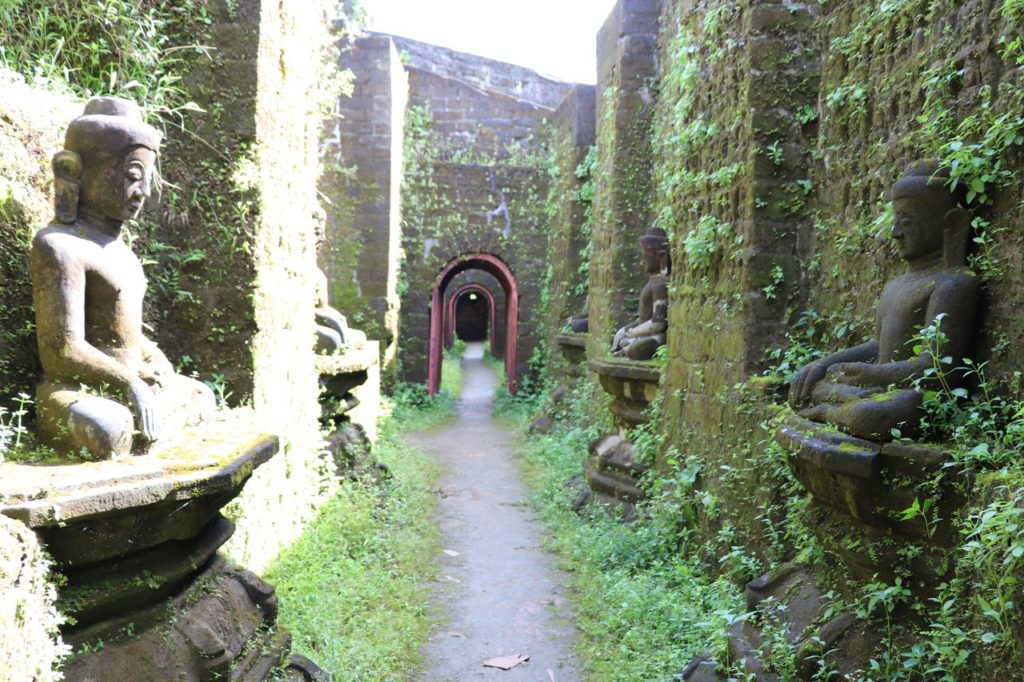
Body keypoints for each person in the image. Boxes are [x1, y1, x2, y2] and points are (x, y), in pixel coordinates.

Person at [33, 97, 215, 458]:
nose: (143, 192)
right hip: (75, 388)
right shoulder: (58, 247)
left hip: (130, 382)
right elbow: (62, 351)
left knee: (201, 396)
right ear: (72, 170)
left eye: (146, 179)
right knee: (109, 429)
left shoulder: (123, 254)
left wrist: (153, 357)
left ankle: (147, 424)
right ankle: (140, 428)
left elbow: (124, 334)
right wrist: (128, 382)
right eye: (133, 177)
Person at [789, 161, 979, 441]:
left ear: (949, 223)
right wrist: (823, 364)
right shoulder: (896, 285)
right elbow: (879, 346)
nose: (896, 233)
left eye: (907, 220)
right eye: (895, 220)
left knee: (876, 415)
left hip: (912, 394)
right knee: (806, 386)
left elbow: (939, 369)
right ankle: (845, 404)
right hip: (877, 387)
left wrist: (874, 376)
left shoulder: (953, 282)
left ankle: (829, 413)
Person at [611, 226, 671, 360]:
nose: (641, 261)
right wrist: (624, 331)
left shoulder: (660, 285)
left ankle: (627, 349)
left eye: (644, 257)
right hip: (643, 332)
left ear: (661, 256)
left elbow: (658, 324)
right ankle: (625, 348)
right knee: (621, 339)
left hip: (655, 335)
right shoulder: (652, 282)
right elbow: (642, 320)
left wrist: (631, 333)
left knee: (638, 347)